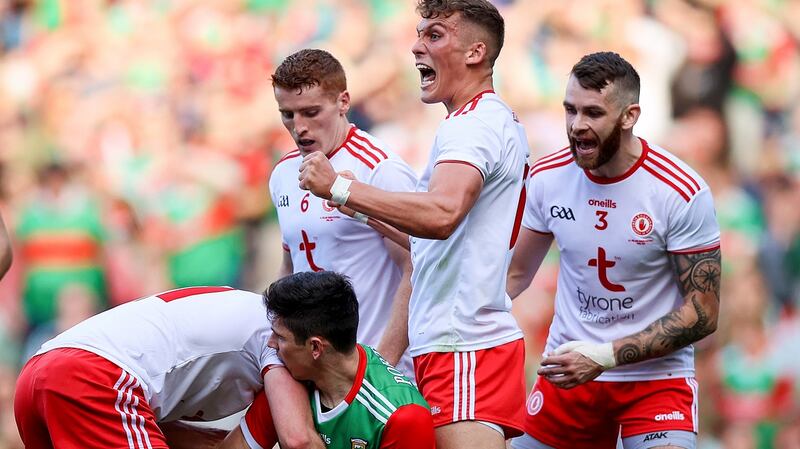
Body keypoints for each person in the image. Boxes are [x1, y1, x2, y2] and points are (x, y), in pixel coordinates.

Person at [297, 1, 529, 448]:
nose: (416, 46)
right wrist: (365, 211)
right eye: (419, 33)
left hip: (463, 344)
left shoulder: (474, 126)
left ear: (476, 52)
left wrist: (341, 190)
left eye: (435, 35)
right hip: (458, 343)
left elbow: (442, 216)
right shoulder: (478, 120)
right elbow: (437, 242)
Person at [507, 52, 721, 449]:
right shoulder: (547, 177)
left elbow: (704, 314)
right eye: (570, 110)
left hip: (655, 381)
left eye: (593, 113)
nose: (577, 126)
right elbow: (515, 276)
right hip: (568, 372)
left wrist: (604, 356)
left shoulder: (680, 191)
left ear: (629, 116)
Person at [14, 286, 324, 449]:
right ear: (317, 345)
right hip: (94, 376)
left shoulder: (253, 313)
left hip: (39, 369)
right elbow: (297, 439)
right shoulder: (281, 338)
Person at [268, 49, 417, 376]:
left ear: (343, 102)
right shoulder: (282, 173)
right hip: (313, 372)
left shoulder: (379, 168)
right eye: (288, 114)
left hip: (374, 369)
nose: (299, 127)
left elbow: (417, 266)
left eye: (311, 112)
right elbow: (291, 261)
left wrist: (382, 366)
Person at [220, 271, 435, 449]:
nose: (270, 344)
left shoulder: (404, 418)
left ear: (315, 347)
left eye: (281, 337)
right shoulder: (289, 383)